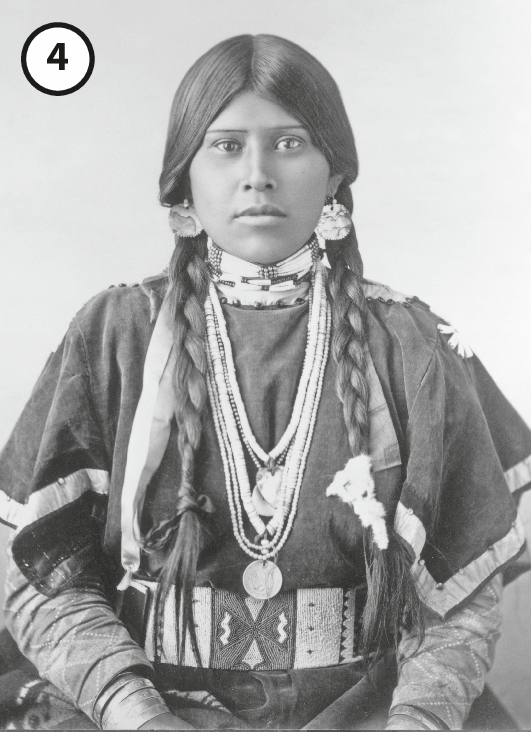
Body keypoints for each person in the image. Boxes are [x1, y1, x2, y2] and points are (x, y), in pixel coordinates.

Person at [0, 34, 530, 731]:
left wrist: (417, 723)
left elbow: (460, 596)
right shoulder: (116, 334)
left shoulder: (411, 342)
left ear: (335, 176)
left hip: (373, 711)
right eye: (225, 146)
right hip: (138, 711)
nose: (257, 174)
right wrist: (136, 715)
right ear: (182, 180)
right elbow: (40, 575)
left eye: (288, 143)